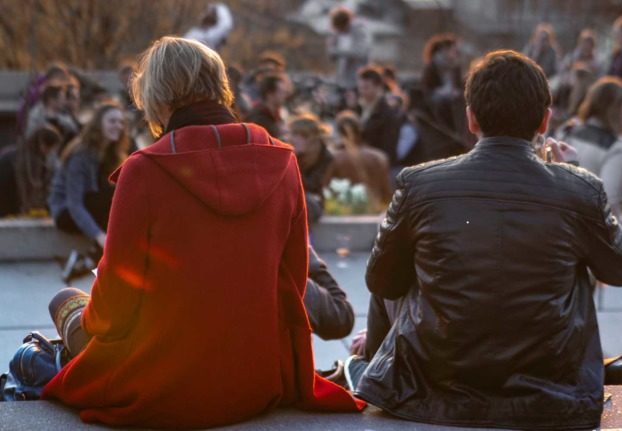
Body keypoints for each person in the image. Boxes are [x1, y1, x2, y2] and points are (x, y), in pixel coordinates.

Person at [42, 37, 363, 428]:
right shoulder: (282, 159)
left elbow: (115, 305)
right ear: (219, 84)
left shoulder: (144, 170)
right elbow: (292, 281)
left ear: (157, 97)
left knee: (65, 300)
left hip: (164, 386)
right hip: (255, 380)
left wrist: (88, 322)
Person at [345, 50, 622, 430]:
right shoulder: (578, 189)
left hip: (434, 387)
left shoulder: (419, 184)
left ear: (471, 118)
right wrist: (575, 180)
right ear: (544, 120)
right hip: (552, 394)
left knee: (392, 256)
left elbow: (382, 283)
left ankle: (377, 369)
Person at [48, 103, 127, 249]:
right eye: (112, 121)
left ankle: (97, 259)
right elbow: (74, 204)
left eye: (121, 122)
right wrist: (99, 236)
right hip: (66, 213)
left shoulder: (110, 155)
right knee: (112, 196)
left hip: (92, 208)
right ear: (98, 124)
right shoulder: (80, 155)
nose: (118, 126)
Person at [556, 76, 622, 215]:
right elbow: (608, 202)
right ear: (615, 108)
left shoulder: (566, 132)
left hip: (559, 223)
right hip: (593, 231)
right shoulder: (616, 149)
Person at [326, 110, 392, 210]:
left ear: (339, 132)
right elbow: (387, 192)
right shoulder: (379, 156)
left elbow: (327, 190)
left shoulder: (335, 159)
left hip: (346, 212)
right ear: (360, 130)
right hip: (375, 209)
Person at [0, 126, 62, 217]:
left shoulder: (25, 152)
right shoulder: (30, 160)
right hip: (7, 192)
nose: (50, 152)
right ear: (43, 145)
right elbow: (29, 185)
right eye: (50, 148)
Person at [286, 113, 334, 224]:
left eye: (297, 135)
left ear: (311, 138)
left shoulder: (327, 159)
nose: (291, 139)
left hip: (319, 207)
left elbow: (315, 186)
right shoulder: (294, 157)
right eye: (292, 134)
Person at [356, 66, 401, 167]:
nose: (362, 92)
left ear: (378, 87)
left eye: (366, 88)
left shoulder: (387, 113)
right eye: (361, 88)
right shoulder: (359, 108)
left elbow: (388, 148)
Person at [327, 6, 369, 90]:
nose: (339, 30)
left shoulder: (359, 30)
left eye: (340, 27)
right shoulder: (338, 34)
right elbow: (332, 56)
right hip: (342, 79)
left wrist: (337, 51)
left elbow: (359, 52)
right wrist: (332, 47)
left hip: (358, 79)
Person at [245, 72, 290, 139]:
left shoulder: (277, 114)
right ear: (270, 94)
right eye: (281, 92)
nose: (285, 96)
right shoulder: (258, 118)